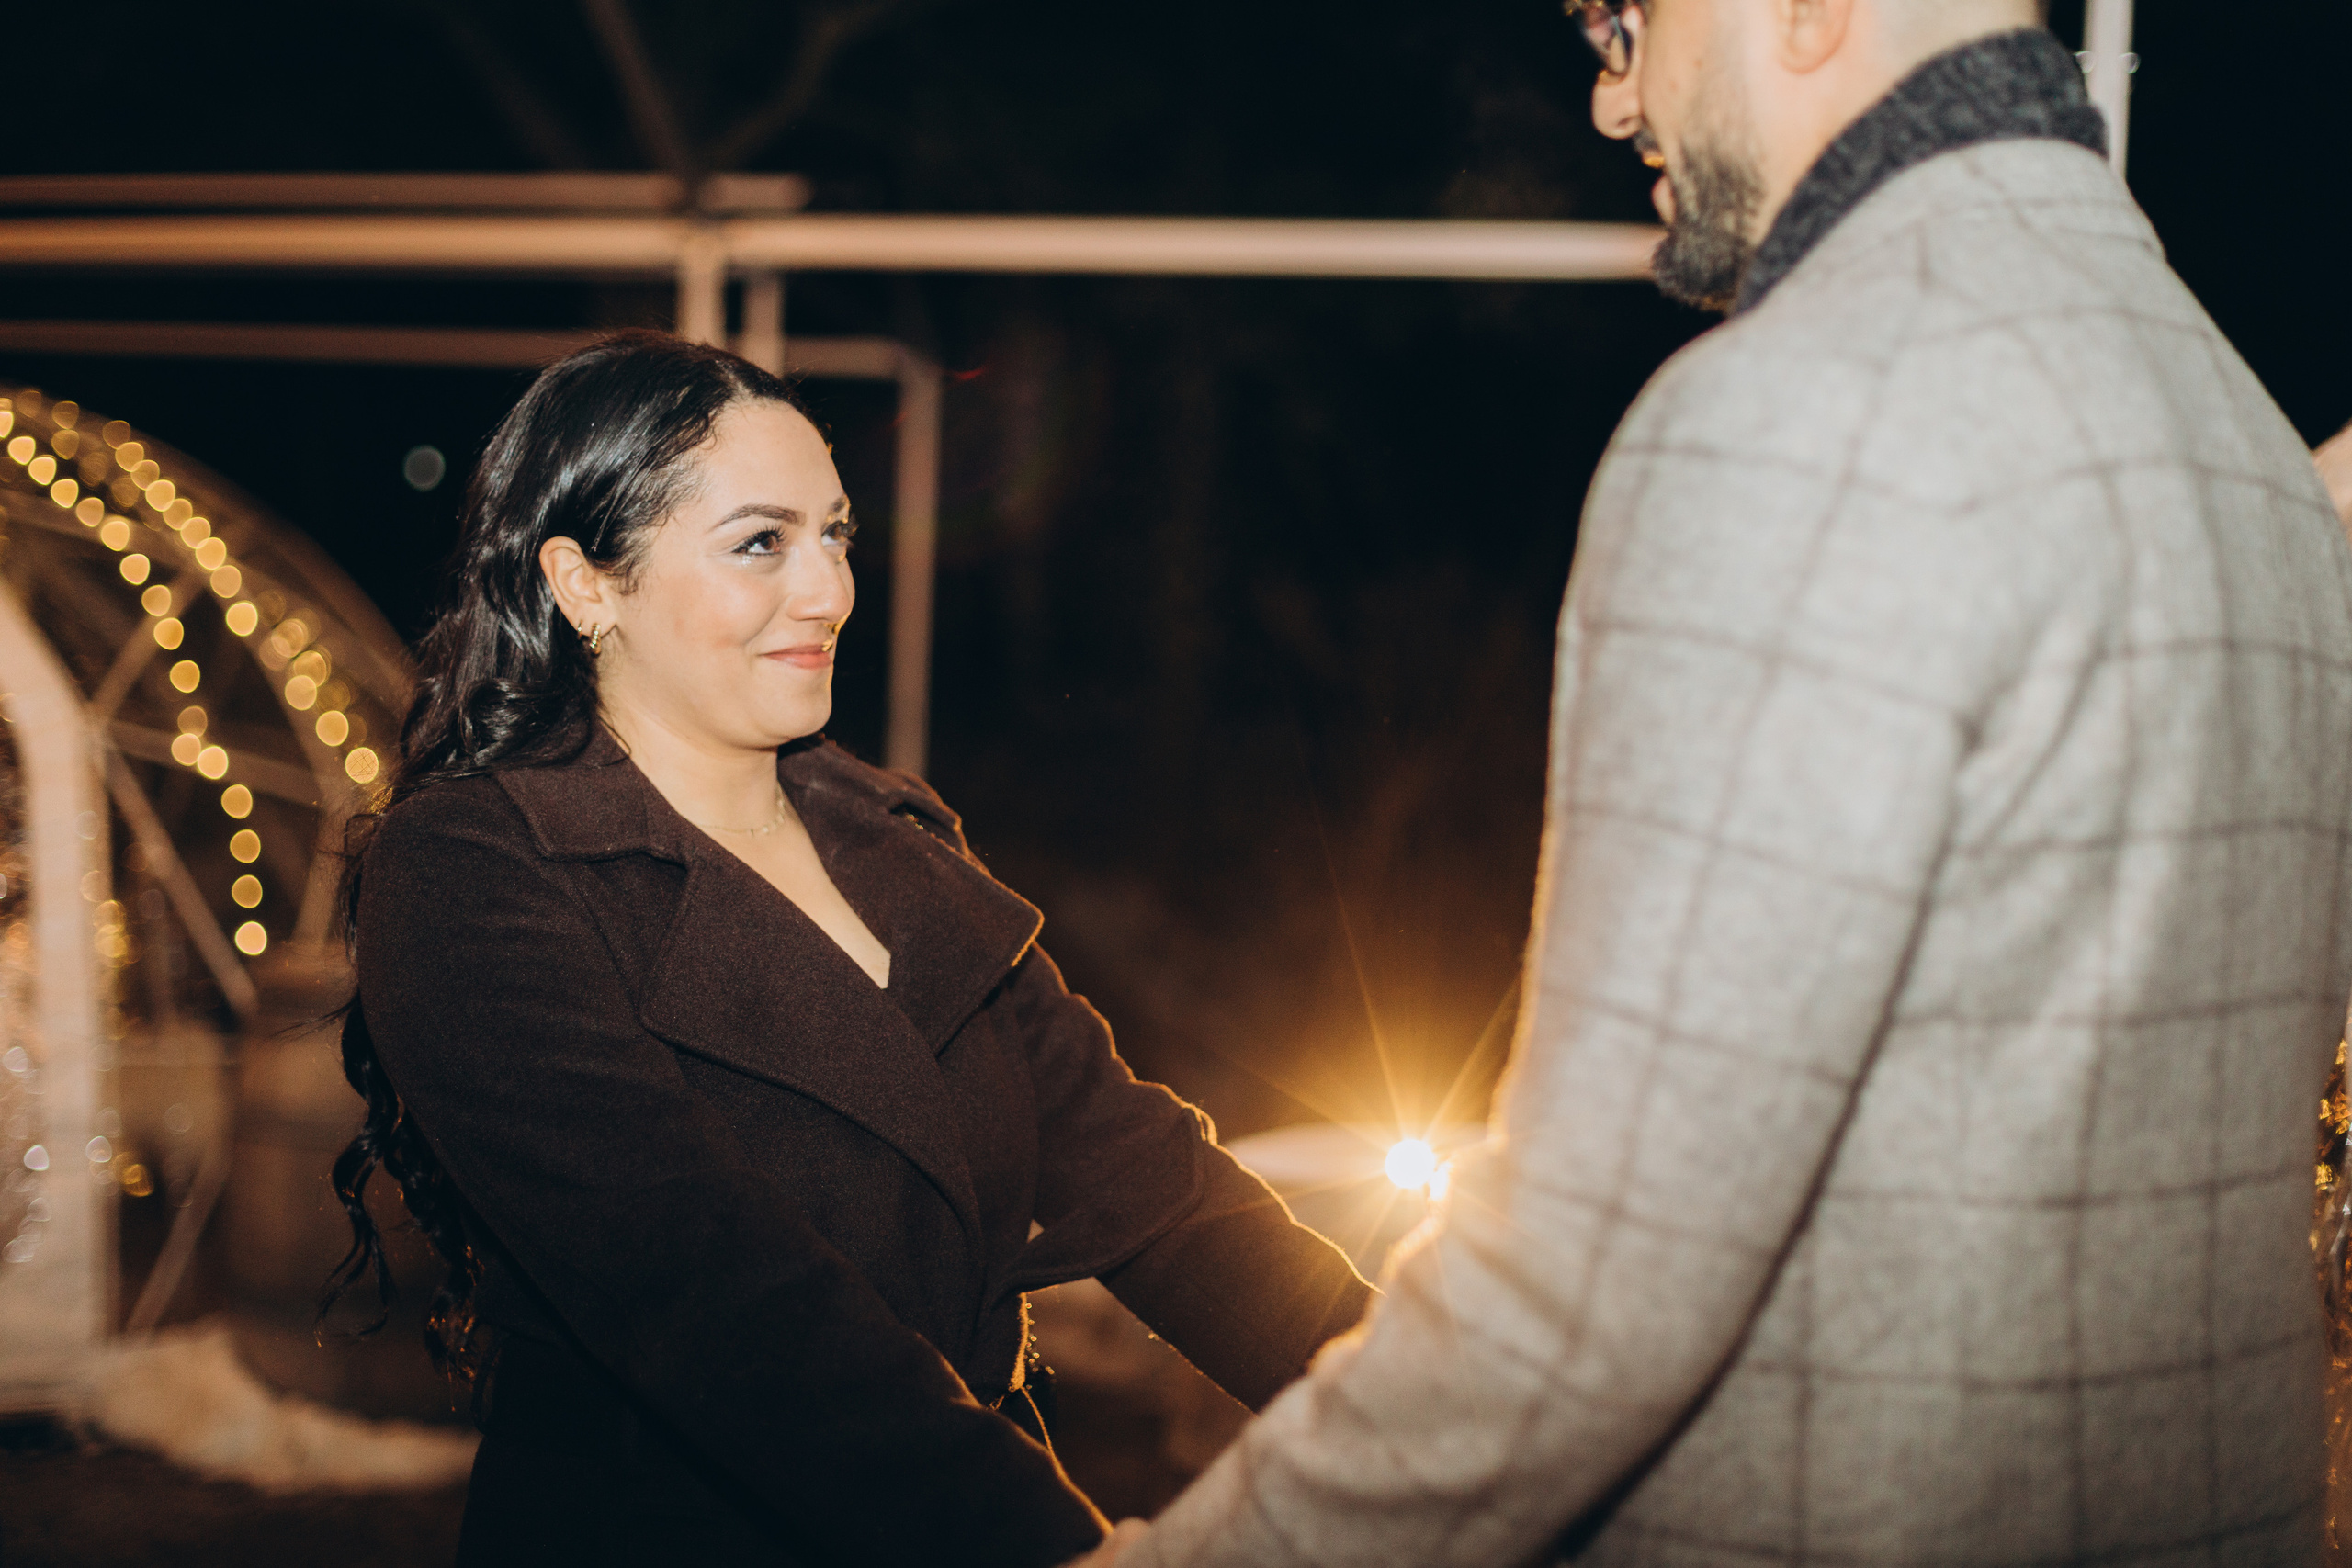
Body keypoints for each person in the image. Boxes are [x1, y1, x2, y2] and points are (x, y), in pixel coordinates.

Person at [1083, 0, 2352, 1564]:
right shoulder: (2242, 446)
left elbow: (1591, 1293)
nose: (1614, 107)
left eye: (1623, 25)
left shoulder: (1796, 419)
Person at [325, 331, 1372, 1566]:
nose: (828, 592)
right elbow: (717, 1301)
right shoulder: (472, 870)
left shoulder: (893, 840)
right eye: (762, 542)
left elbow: (1155, 1184)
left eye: (836, 536)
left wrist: (1423, 1398)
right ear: (584, 583)